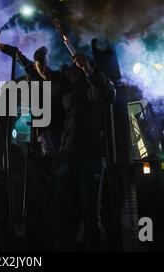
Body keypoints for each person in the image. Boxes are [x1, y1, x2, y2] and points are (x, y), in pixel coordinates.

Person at [54, 52, 116, 251]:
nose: (70, 71)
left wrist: (89, 69)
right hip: (68, 158)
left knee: (91, 216)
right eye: (67, 68)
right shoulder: (67, 91)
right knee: (63, 215)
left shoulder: (92, 87)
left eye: (74, 68)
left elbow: (108, 92)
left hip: (90, 158)